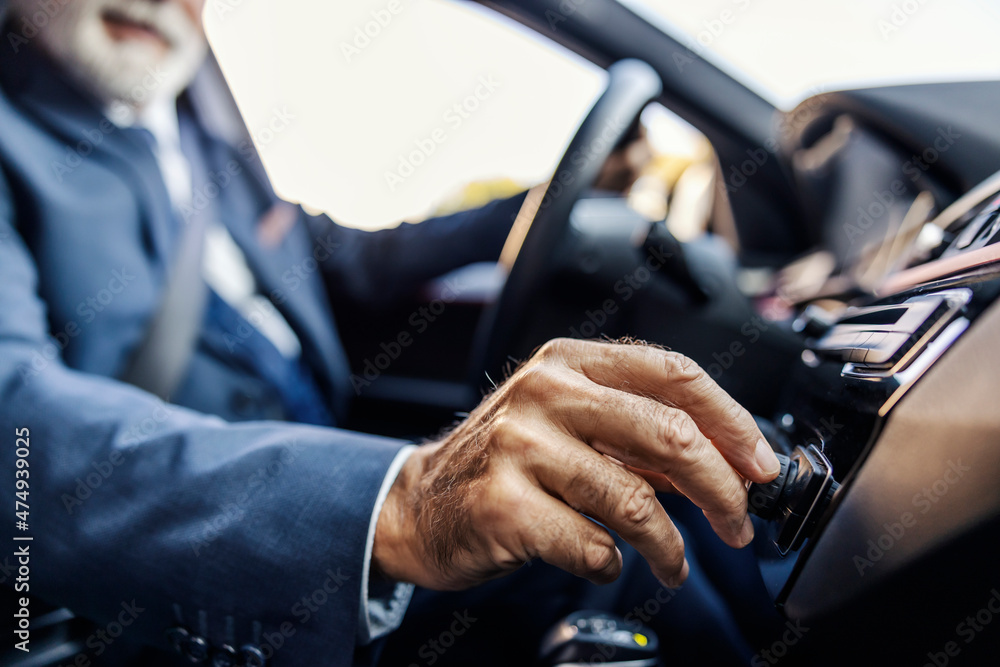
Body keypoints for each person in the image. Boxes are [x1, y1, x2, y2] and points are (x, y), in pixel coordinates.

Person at [0, 0, 781, 664]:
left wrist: (540, 206)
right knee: (596, 553)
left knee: (654, 487)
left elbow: (354, 262)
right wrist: (398, 502)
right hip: (190, 589)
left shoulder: (203, 147)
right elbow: (21, 428)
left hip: (326, 469)